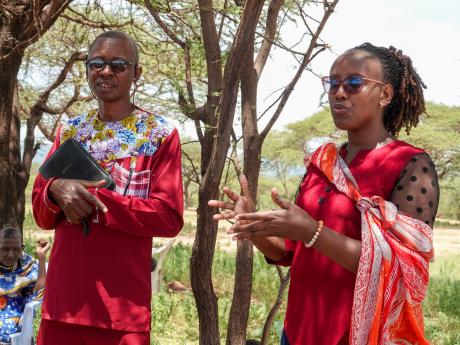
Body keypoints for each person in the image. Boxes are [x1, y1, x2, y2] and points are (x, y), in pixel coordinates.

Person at [210, 43, 439, 345]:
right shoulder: (323, 163)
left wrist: (310, 230)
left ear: (384, 95)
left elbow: (398, 270)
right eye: (333, 83)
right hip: (297, 331)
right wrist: (254, 227)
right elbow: (287, 252)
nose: (340, 92)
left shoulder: (411, 164)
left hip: (359, 335)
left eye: (354, 83)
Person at [32, 31, 184, 345]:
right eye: (97, 63)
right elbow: (41, 211)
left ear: (136, 73)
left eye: (118, 65)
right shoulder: (72, 131)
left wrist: (98, 199)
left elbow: (168, 217)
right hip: (63, 308)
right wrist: (56, 189)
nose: (105, 71)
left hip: (122, 313)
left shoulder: (160, 135)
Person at [0, 227, 49, 344]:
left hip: (14, 325)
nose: (11, 254)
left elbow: (38, 294)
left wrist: (41, 257)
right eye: (5, 249)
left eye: (16, 249)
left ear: (22, 248)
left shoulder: (27, 267)